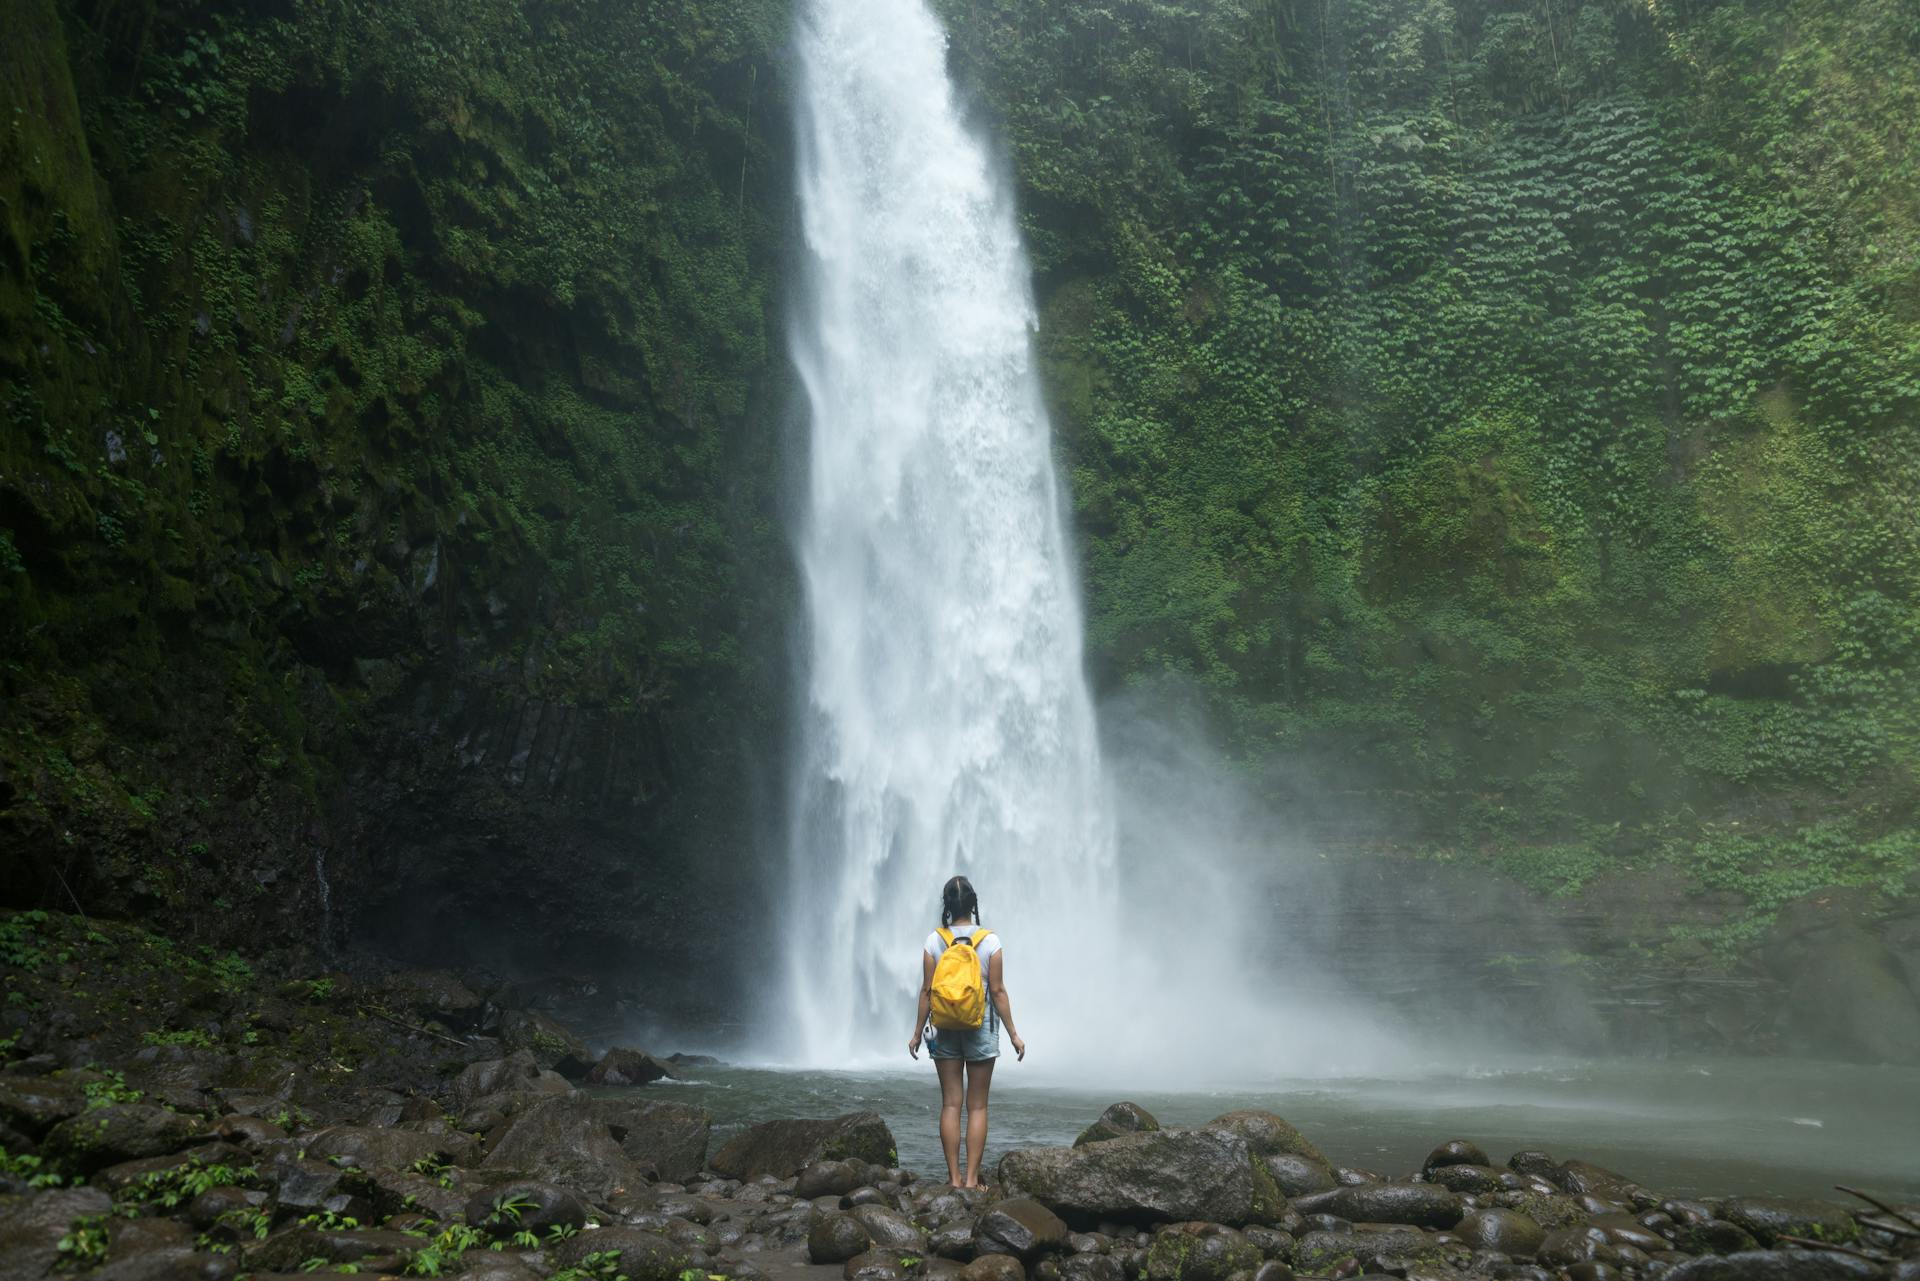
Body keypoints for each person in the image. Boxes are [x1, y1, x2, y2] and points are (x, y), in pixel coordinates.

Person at [907, 874, 1026, 1189]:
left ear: (947, 906)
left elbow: (927, 991)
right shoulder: (990, 941)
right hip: (981, 1026)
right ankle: (973, 1180)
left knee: (950, 1103)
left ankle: (954, 1179)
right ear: (973, 905)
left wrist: (918, 1033)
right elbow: (998, 992)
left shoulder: (934, 941)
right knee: (977, 1105)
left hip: (942, 1027)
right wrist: (1014, 1034)